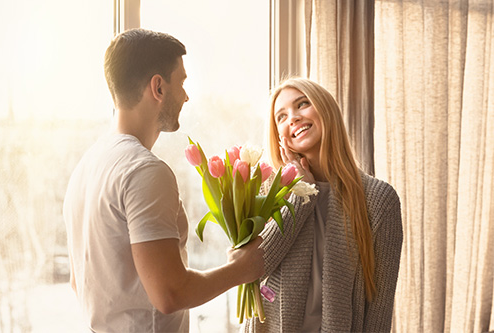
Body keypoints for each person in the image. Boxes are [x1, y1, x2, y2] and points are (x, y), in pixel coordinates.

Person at [63, 28, 264, 333]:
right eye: (181, 82)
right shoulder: (144, 170)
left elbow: (78, 283)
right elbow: (170, 294)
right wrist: (242, 269)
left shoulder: (86, 166)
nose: (186, 95)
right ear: (158, 87)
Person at [243, 77, 403, 332]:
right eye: (281, 117)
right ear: (278, 136)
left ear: (326, 109)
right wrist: (300, 195)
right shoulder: (266, 190)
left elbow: (379, 310)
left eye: (302, 104)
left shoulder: (379, 200)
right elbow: (250, 269)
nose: (293, 118)